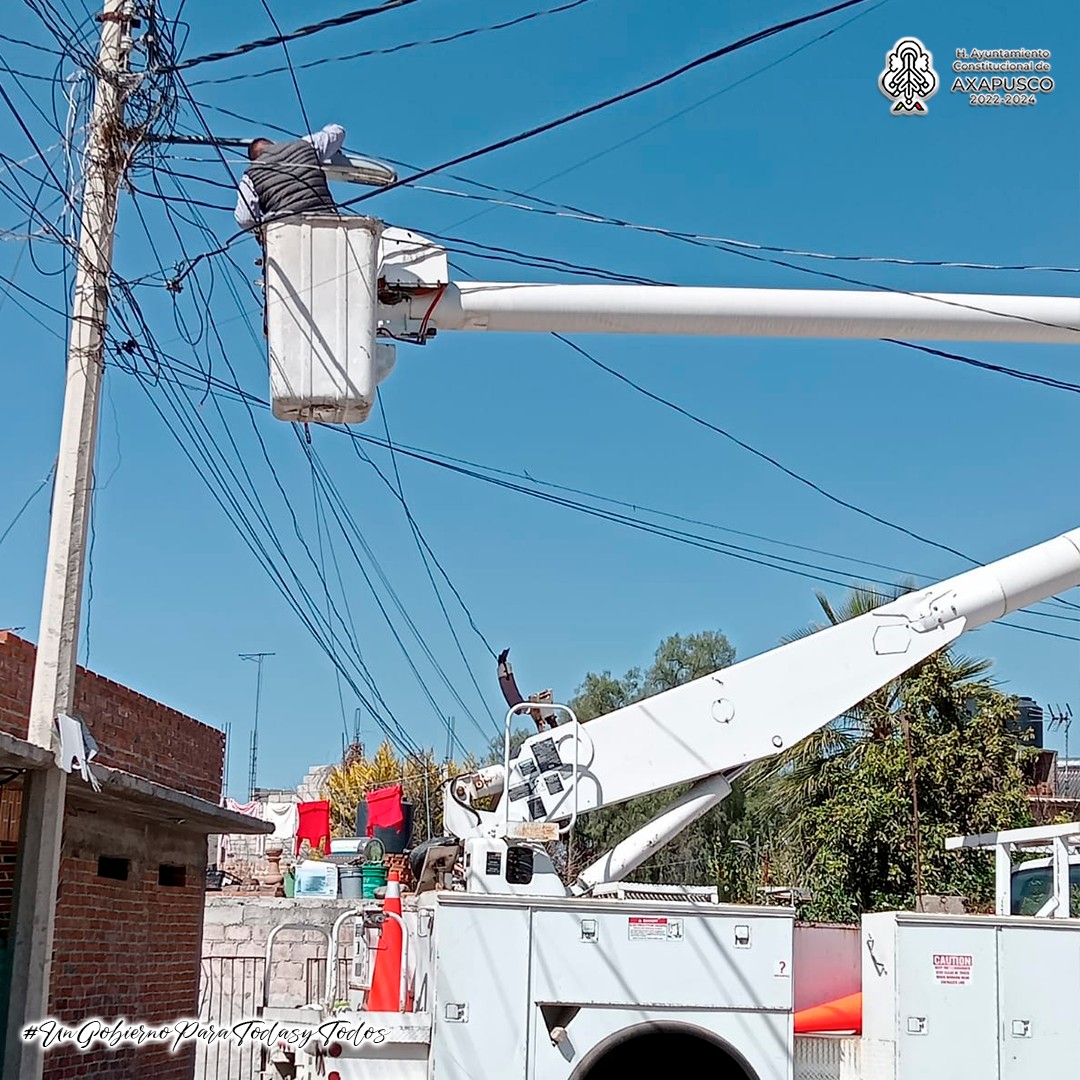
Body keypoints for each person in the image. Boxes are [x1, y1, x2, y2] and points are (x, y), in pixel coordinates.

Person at [234, 123, 346, 235]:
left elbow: (245, 219)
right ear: (273, 144)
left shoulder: (251, 175)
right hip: (328, 224)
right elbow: (337, 132)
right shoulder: (305, 145)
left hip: (286, 234)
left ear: (254, 161)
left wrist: (261, 230)